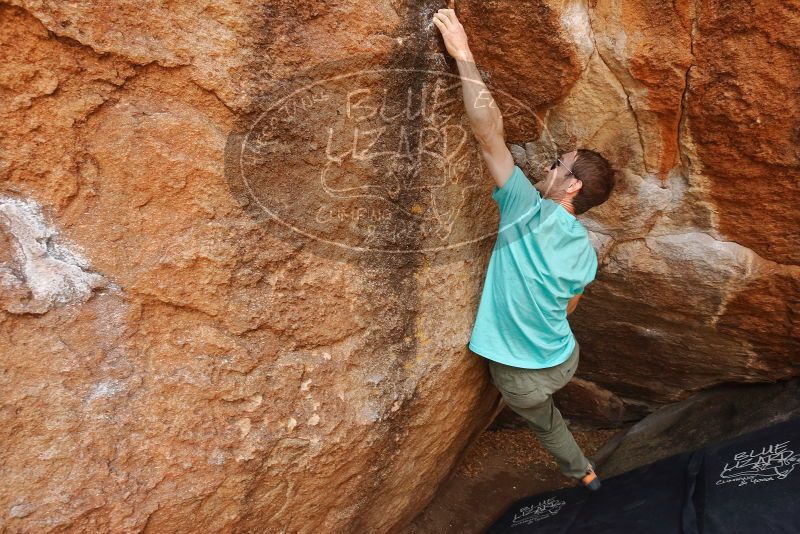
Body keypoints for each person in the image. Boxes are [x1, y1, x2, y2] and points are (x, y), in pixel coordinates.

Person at [433, 7, 616, 491]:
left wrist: (463, 55)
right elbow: (570, 304)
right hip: (562, 357)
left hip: (522, 374)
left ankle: (586, 475)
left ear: (571, 185)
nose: (549, 167)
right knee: (546, 412)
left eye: (559, 164)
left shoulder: (523, 208)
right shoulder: (586, 248)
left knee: (544, 421)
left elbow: (487, 131)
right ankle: (588, 475)